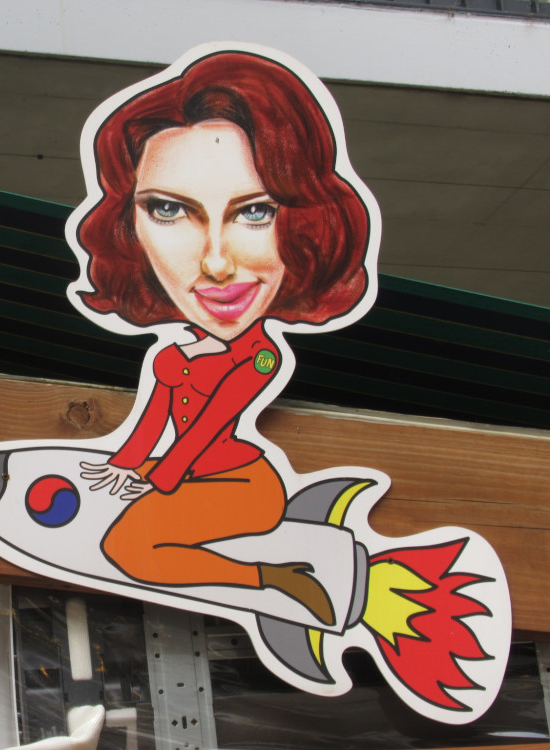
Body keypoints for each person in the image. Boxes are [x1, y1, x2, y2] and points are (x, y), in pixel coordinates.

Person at [72, 50, 374, 627]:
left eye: (255, 211)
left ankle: (278, 579)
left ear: (307, 223)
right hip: (190, 474)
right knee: (119, 537)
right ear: (128, 228)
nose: (215, 263)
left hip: (243, 484)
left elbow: (209, 425)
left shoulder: (261, 356)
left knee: (127, 548)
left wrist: (158, 476)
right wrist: (126, 463)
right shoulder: (171, 354)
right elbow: (153, 418)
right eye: (168, 209)